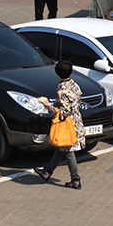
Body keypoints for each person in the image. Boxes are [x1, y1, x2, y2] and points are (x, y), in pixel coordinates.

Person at [33, 59, 84, 189]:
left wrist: (47, 105)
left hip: (66, 123)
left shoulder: (62, 90)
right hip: (75, 120)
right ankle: (47, 172)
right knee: (60, 148)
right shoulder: (74, 85)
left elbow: (63, 112)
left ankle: (75, 179)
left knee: (68, 151)